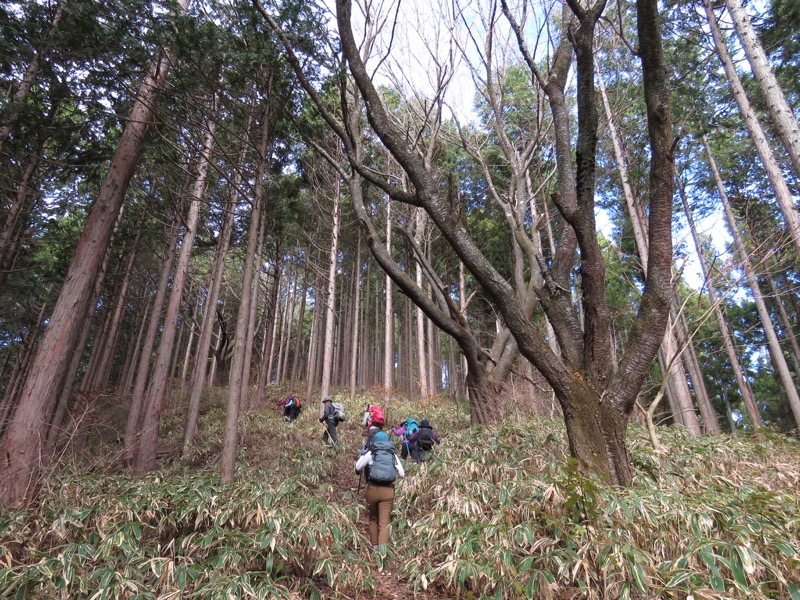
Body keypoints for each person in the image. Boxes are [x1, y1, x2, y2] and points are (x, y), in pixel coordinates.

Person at [354, 431, 405, 552]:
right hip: (387, 491)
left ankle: (375, 547)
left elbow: (357, 467)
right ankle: (382, 554)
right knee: (385, 521)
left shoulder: (372, 452)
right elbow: (402, 473)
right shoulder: (392, 454)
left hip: (372, 488)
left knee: (373, 518)